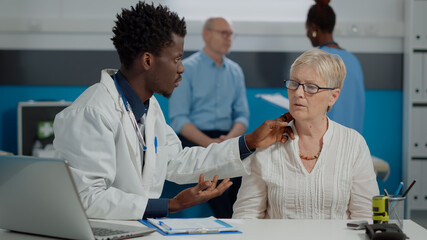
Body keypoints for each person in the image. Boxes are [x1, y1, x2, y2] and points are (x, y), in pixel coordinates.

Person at [53, 2, 293, 220]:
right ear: (148, 61)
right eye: (177, 59)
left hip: (137, 228)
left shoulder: (149, 107)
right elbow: (86, 199)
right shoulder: (92, 112)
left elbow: (176, 160)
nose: (181, 69)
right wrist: (170, 205)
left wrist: (249, 142)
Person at [233, 49, 379, 219]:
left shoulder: (353, 144)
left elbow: (366, 218)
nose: (298, 93)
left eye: (311, 87)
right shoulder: (268, 142)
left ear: (333, 96)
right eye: (294, 83)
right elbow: (246, 216)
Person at [168, 17, 249, 218]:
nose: (229, 38)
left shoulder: (236, 71)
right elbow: (179, 120)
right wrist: (212, 146)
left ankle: (239, 222)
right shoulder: (187, 68)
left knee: (249, 170)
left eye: (231, 34)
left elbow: (242, 116)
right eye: (224, 33)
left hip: (227, 137)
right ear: (207, 34)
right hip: (196, 137)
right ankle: (230, 224)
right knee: (218, 172)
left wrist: (229, 140)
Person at [305, 0, 365, 134]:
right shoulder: (354, 61)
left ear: (314, 29)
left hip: (323, 143)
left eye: (307, 29)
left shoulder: (316, 60)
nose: (307, 34)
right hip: (353, 143)